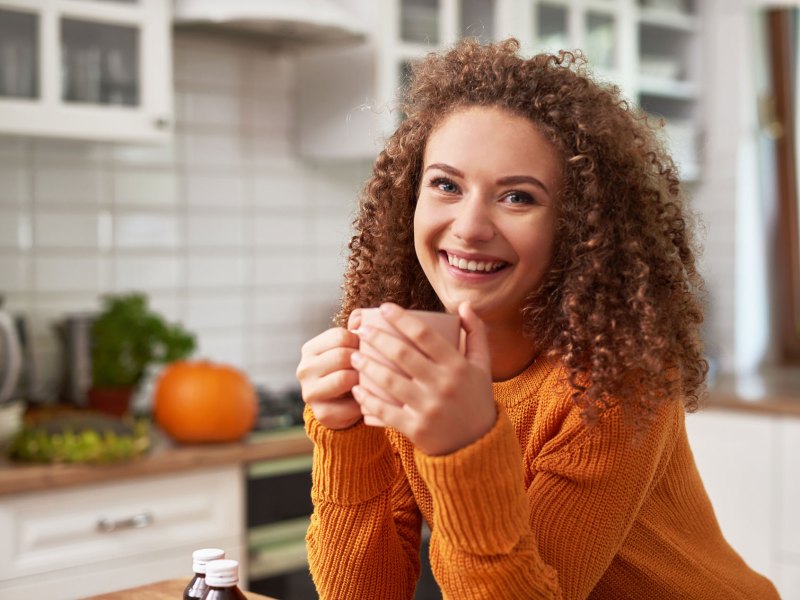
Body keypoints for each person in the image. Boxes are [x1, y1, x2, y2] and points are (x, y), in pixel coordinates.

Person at [295, 38, 779, 599]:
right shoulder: (413, 362)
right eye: (446, 185)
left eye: (518, 198)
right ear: (411, 197)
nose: (470, 226)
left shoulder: (614, 384)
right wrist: (345, 435)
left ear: (576, 228)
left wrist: (464, 447)